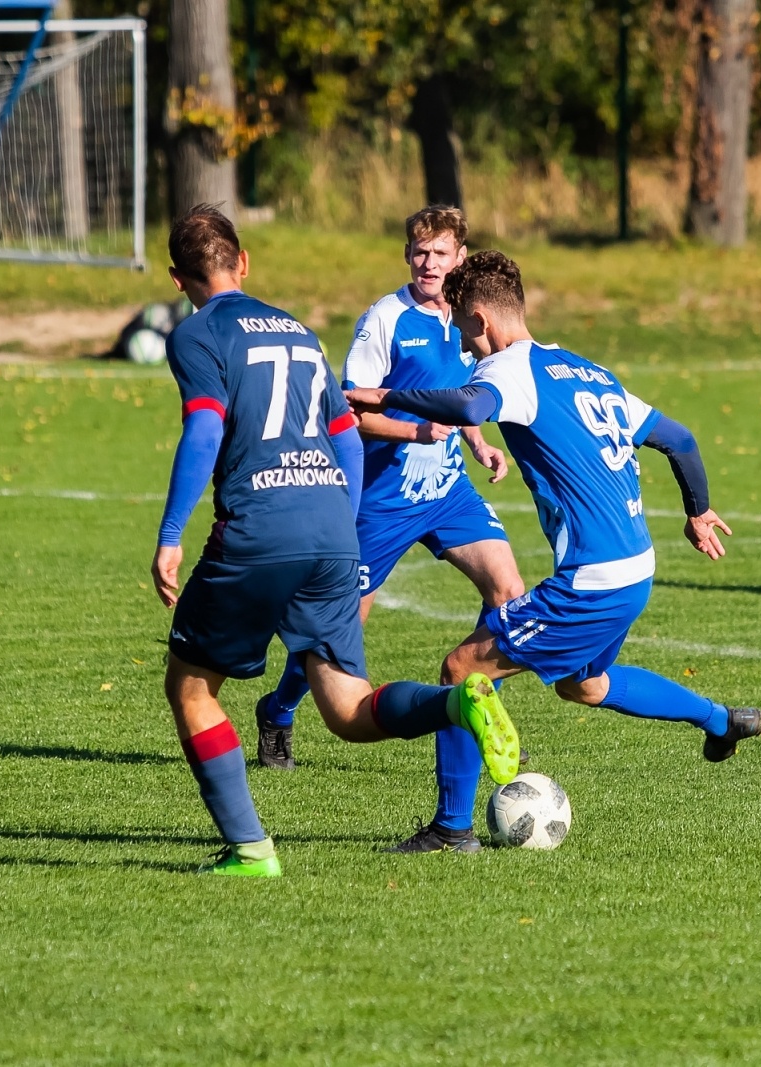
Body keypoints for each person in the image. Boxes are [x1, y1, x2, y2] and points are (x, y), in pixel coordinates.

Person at [151, 205, 521, 878]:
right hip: (331, 525)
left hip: (259, 526)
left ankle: (251, 849)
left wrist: (171, 533)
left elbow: (204, 430)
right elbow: (347, 432)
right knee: (348, 709)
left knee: (192, 687)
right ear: (244, 262)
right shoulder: (297, 328)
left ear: (178, 280)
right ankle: (457, 700)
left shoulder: (197, 335)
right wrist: (341, 519)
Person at [346, 251, 761, 800]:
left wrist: (388, 396)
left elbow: (471, 408)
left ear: (480, 320)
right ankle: (719, 720)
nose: (466, 347)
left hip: (590, 583)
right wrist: (697, 509)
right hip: (635, 569)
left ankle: (451, 829)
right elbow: (680, 439)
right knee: (584, 685)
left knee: (461, 671)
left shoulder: (509, 369)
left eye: (464, 331)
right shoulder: (587, 369)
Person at [254, 205, 526, 855]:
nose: (426, 263)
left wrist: (478, 443)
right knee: (342, 638)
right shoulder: (385, 319)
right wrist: (415, 430)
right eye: (417, 252)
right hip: (381, 500)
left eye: (438, 252)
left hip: (447, 493)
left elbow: (458, 399)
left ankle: (471, 684)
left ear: (461, 256)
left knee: (509, 592)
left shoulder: (465, 320)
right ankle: (281, 708)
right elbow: (351, 409)